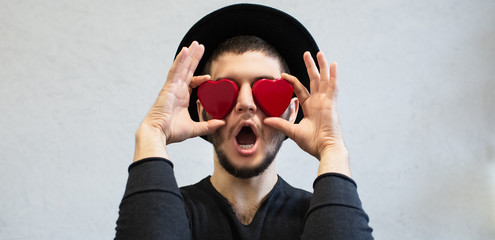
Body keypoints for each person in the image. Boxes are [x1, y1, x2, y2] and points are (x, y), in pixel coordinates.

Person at [115, 4, 373, 240]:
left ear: (292, 112)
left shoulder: (319, 216)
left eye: (268, 91)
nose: (246, 103)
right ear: (203, 111)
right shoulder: (170, 210)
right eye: (225, 90)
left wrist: (332, 147)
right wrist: (153, 132)